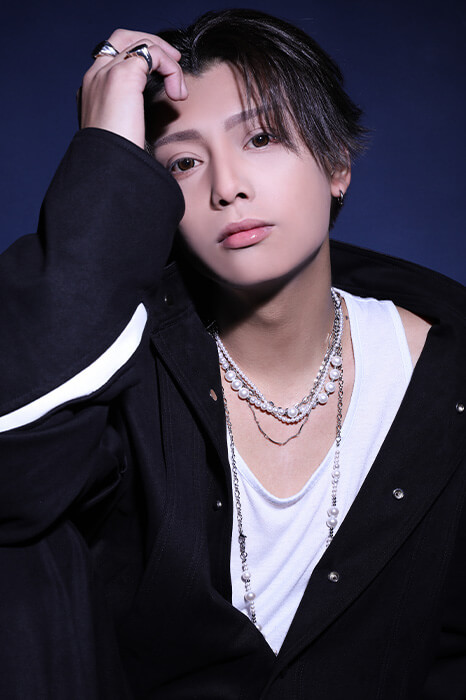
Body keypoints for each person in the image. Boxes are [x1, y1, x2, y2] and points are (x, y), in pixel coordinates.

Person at [0, 8, 465, 699]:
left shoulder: (442, 373)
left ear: (337, 163)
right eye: (183, 163)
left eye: (262, 138)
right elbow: (15, 485)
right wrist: (104, 156)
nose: (227, 187)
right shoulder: (123, 371)